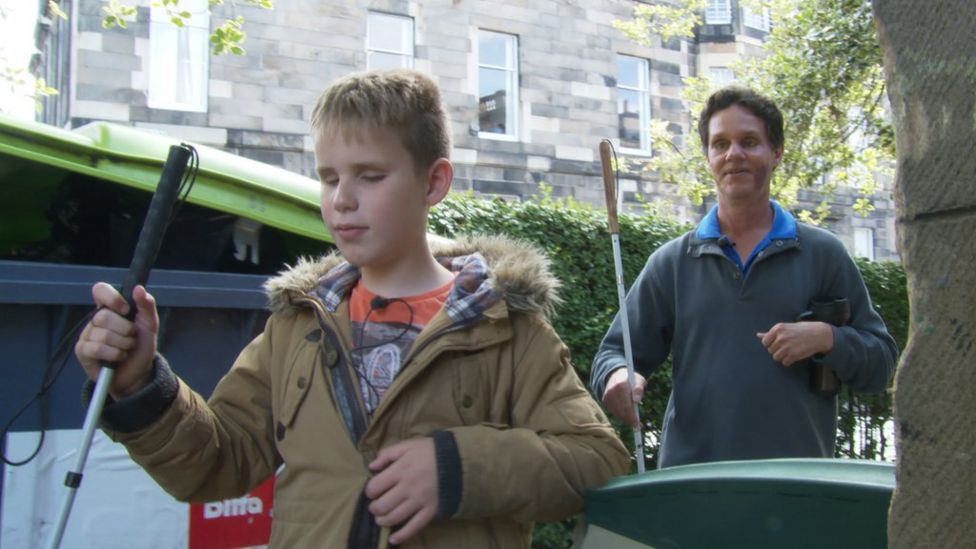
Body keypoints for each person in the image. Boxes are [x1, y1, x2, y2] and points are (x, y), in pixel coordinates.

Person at [75, 69, 629, 548]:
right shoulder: (297, 326)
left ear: (433, 182)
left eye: (369, 175)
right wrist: (141, 384)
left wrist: (458, 468)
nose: (342, 198)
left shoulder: (504, 327)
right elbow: (217, 462)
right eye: (329, 176)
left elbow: (596, 461)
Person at [590, 86, 897, 469]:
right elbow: (613, 353)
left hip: (797, 486)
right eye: (720, 144)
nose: (733, 154)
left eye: (749, 141)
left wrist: (828, 338)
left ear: (777, 152)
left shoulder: (823, 255)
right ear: (708, 158)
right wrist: (619, 376)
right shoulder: (673, 262)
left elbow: (881, 363)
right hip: (694, 486)